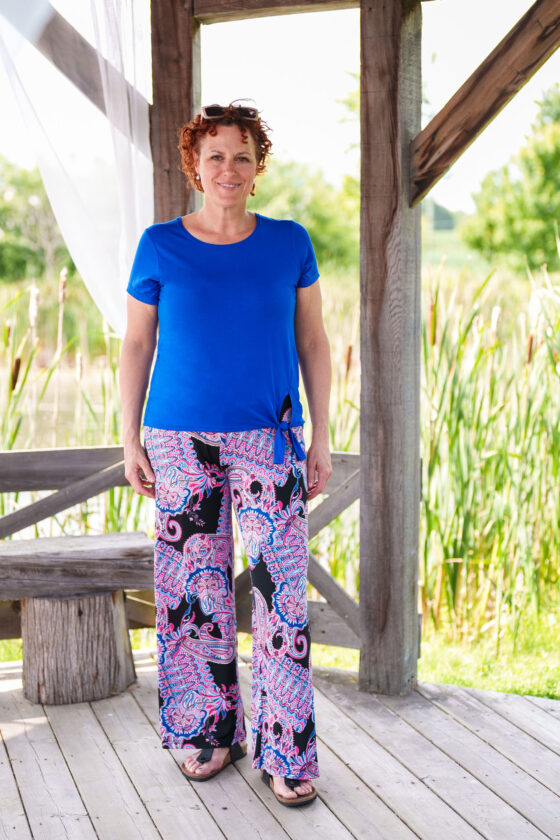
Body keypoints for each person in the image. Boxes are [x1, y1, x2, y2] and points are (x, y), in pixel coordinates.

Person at [119, 100, 332, 807]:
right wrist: (129, 438)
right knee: (190, 593)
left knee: (280, 596)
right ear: (194, 166)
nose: (229, 169)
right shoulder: (159, 245)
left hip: (270, 439)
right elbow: (137, 346)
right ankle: (207, 732)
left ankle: (287, 750)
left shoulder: (289, 242)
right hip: (178, 440)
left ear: (258, 164)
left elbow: (315, 344)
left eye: (242, 155)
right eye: (215, 156)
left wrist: (322, 435)